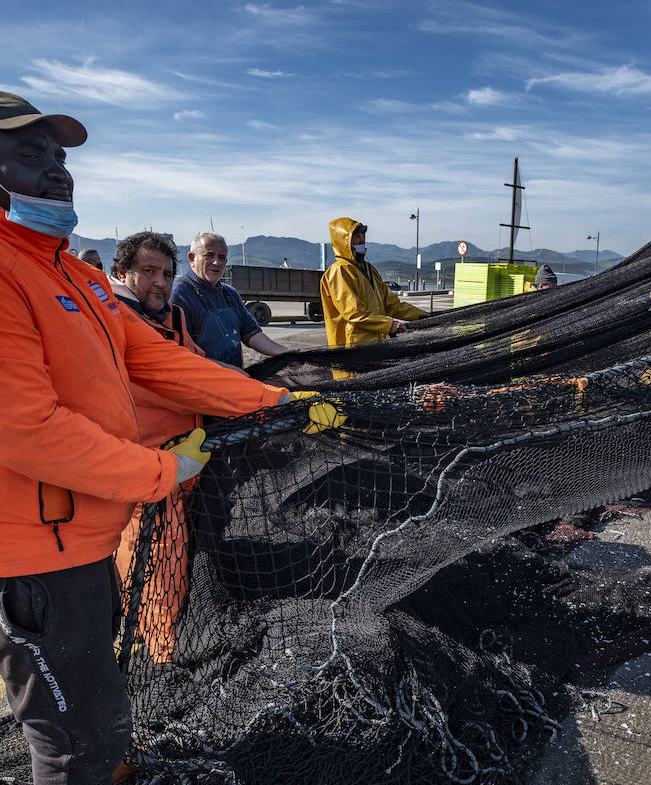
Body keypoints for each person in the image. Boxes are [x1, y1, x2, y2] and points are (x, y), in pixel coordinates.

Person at [0, 88, 303, 785]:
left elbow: (154, 361)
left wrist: (273, 401)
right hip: (2, 548)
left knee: (95, 696)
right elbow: (23, 431)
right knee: (70, 731)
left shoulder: (63, 270)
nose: (60, 169)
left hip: (71, 537)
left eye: (62, 153)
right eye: (33, 153)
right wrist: (159, 475)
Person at [108, 232, 205, 663]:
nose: (160, 283)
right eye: (148, 272)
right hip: (149, 467)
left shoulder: (175, 319)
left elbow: (201, 367)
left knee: (175, 559)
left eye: (166, 274)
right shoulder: (113, 321)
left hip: (189, 460)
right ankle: (160, 655)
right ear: (122, 274)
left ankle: (147, 635)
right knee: (155, 559)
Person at [170, 231, 295, 367]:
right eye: (209, 255)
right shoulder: (179, 294)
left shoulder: (230, 294)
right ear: (192, 258)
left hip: (233, 380)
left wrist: (284, 352)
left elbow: (252, 334)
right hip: (200, 384)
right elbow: (180, 354)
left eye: (222, 257)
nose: (216, 262)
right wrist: (226, 370)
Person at [320, 217, 422, 347]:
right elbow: (354, 314)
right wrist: (389, 325)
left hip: (377, 345)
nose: (361, 240)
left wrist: (419, 314)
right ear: (344, 241)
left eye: (362, 235)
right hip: (353, 349)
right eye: (356, 236)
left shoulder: (369, 269)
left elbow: (391, 304)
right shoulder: (339, 271)